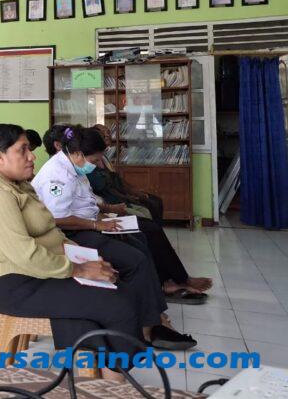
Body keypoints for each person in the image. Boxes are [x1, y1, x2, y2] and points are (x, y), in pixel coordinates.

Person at [0, 124, 170, 378]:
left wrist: (87, 258)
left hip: (40, 272)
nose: (32, 156)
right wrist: (79, 269)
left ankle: (103, 379)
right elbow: (25, 254)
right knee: (119, 303)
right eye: (23, 150)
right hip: (17, 285)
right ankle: (115, 381)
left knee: (116, 287)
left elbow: (52, 231)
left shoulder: (17, 184)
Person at [32, 125, 196, 349]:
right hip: (68, 236)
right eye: (94, 159)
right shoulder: (57, 176)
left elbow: (85, 202)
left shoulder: (73, 166)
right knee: (134, 260)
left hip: (86, 226)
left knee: (139, 241)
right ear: (77, 153)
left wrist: (103, 216)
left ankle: (154, 318)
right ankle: (149, 328)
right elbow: (57, 218)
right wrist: (96, 224)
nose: (97, 163)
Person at [83, 126, 212, 302]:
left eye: (107, 135)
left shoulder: (95, 161)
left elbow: (114, 184)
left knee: (154, 209)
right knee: (149, 228)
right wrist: (105, 215)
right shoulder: (78, 168)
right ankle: (173, 280)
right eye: (102, 136)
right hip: (101, 216)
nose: (107, 138)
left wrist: (130, 196)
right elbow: (96, 195)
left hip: (105, 212)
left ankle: (174, 276)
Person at [91, 124, 164, 223]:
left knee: (156, 202)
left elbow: (118, 181)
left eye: (108, 132)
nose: (107, 135)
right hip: (113, 201)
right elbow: (107, 188)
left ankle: (156, 228)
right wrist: (128, 197)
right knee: (150, 206)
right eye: (103, 134)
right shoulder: (92, 163)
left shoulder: (104, 158)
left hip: (121, 196)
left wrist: (135, 193)